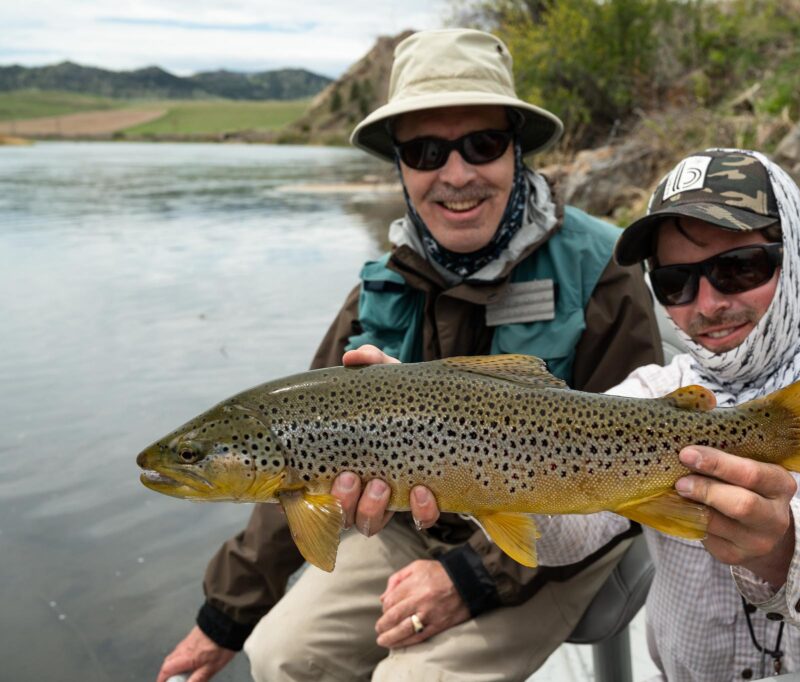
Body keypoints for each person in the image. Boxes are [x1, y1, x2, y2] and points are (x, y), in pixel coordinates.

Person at [348, 148, 800, 679]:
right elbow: (560, 536)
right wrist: (440, 434)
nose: (706, 305)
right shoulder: (651, 398)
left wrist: (795, 551)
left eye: (739, 269)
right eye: (675, 282)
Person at [156, 28, 662, 682]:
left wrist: (472, 578)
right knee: (283, 657)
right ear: (400, 165)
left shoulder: (604, 270)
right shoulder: (377, 290)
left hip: (559, 532)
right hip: (414, 528)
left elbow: (631, 464)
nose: (456, 174)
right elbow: (286, 473)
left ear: (516, 151)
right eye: (426, 151)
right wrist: (220, 622)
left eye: (482, 144)